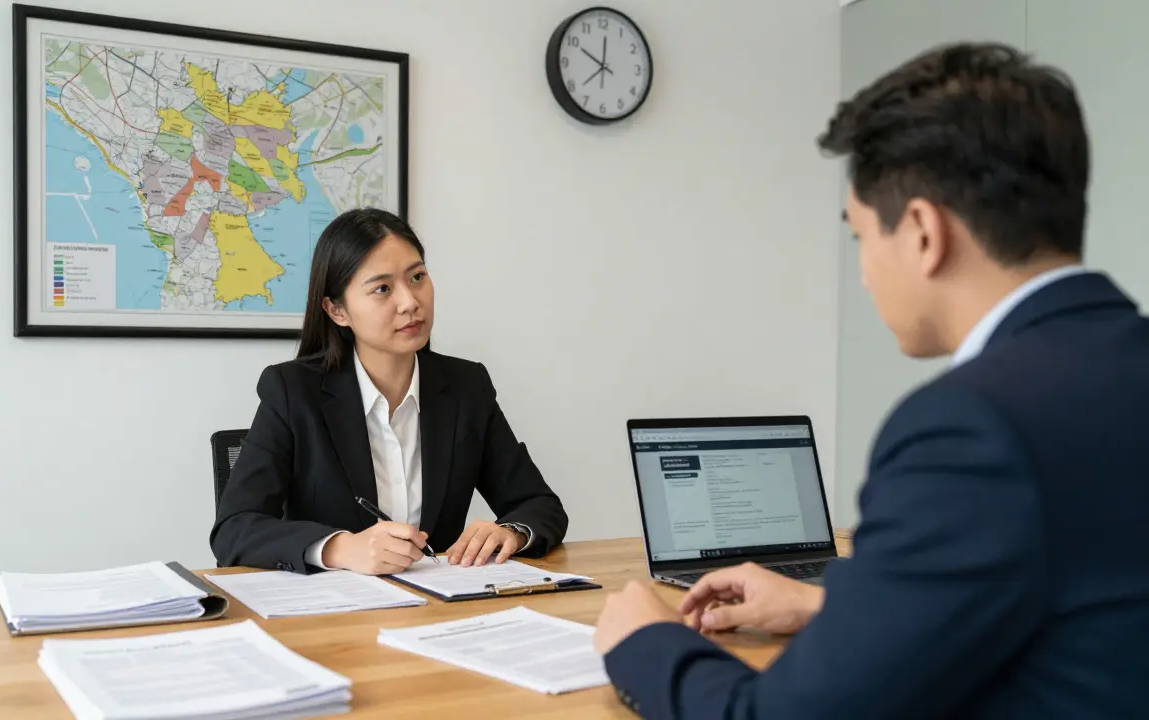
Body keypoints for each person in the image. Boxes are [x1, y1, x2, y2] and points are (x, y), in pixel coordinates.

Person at [593, 42, 1149, 719]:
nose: (862, 273)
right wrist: (825, 603)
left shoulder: (970, 427)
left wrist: (648, 644)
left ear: (921, 231)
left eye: (860, 237)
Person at [211, 208, 568, 575]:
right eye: (382, 288)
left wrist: (511, 532)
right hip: (333, 616)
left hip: (438, 610)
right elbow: (234, 529)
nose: (410, 302)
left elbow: (539, 504)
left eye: (417, 277)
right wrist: (339, 548)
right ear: (337, 311)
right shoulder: (292, 392)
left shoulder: (465, 387)